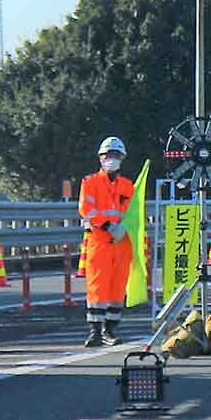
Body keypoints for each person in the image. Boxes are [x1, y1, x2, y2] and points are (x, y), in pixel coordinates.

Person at [78, 136, 134, 347]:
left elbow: (133, 213)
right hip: (99, 241)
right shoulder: (90, 182)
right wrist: (108, 226)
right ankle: (94, 331)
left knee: (117, 288)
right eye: (108, 155)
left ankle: (110, 330)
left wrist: (125, 229)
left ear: (122, 159)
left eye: (115, 156)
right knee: (97, 288)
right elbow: (86, 209)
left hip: (122, 243)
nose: (111, 159)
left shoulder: (128, 186)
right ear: (100, 158)